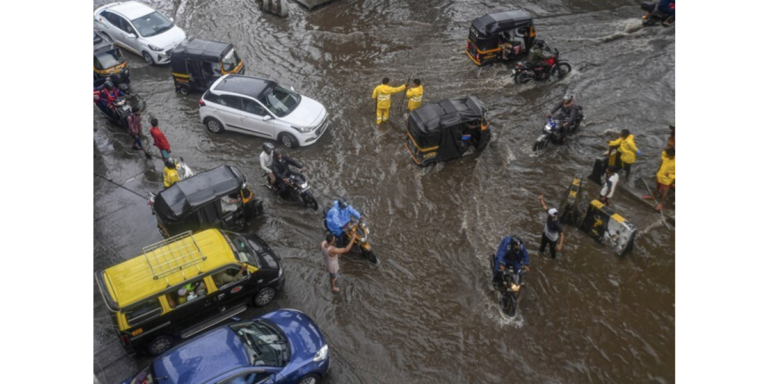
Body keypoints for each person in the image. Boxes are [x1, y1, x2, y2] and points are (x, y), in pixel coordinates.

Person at [537, 194, 565, 259]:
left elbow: (562, 235)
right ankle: (540, 256)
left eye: (549, 214)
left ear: (553, 216)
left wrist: (560, 245)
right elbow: (544, 206)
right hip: (545, 235)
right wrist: (541, 199)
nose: (548, 214)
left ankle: (553, 260)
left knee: (553, 252)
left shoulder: (557, 224)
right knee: (541, 248)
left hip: (552, 239)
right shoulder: (551, 215)